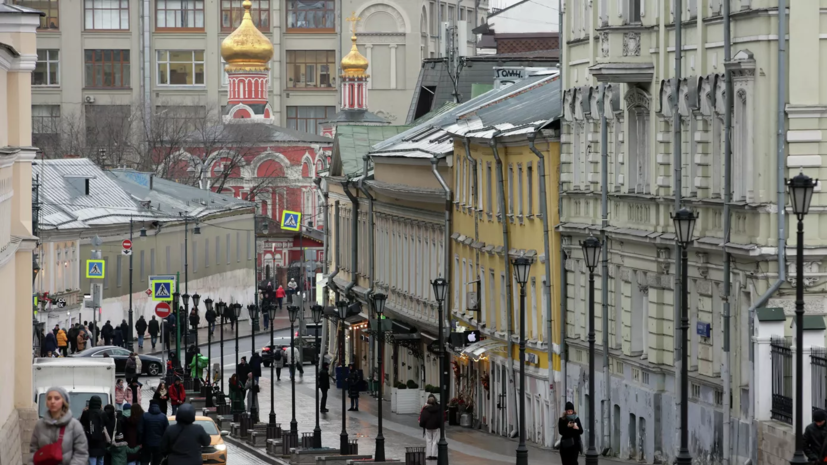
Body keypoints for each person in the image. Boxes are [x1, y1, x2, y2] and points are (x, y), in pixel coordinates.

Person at [29, 386, 89, 465]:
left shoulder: (74, 425)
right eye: (49, 398)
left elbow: (81, 454)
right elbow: (33, 450)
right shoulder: (40, 425)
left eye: (57, 398)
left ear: (64, 401)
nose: (52, 401)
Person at [80, 395, 108, 465]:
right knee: (100, 460)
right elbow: (107, 424)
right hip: (101, 441)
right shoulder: (103, 413)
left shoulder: (86, 413)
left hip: (90, 441)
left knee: (92, 460)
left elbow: (81, 423)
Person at [141, 400, 169, 465]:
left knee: (145, 460)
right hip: (159, 444)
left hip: (147, 443)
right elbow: (167, 431)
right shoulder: (163, 416)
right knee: (157, 462)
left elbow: (140, 430)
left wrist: (140, 441)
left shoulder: (144, 416)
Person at [419, 395, 442, 460]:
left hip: (428, 427)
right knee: (435, 441)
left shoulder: (425, 410)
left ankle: (428, 455)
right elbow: (440, 418)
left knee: (428, 440)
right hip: (436, 427)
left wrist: (423, 425)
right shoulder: (438, 409)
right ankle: (434, 455)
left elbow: (422, 419)